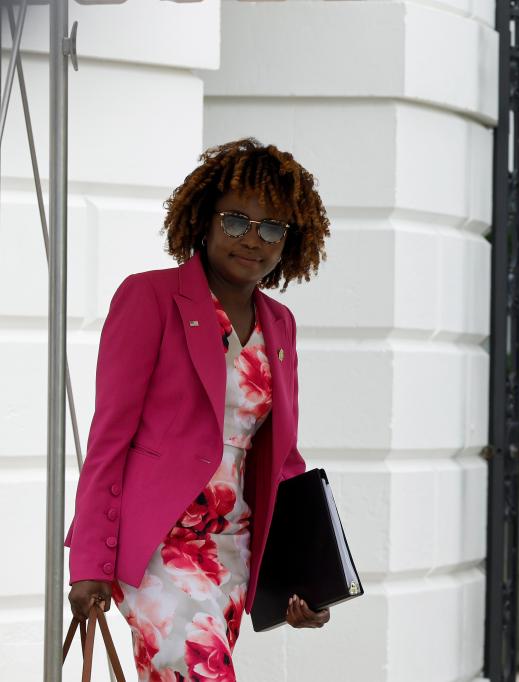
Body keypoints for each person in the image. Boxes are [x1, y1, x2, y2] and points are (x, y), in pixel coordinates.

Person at [65, 138, 332, 680]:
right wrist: (89, 561)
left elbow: (283, 462)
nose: (253, 240)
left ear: (291, 240)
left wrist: (305, 575)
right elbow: (110, 437)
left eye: (272, 228)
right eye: (237, 222)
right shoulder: (150, 299)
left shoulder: (280, 325)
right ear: (206, 221)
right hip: (159, 550)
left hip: (234, 550)